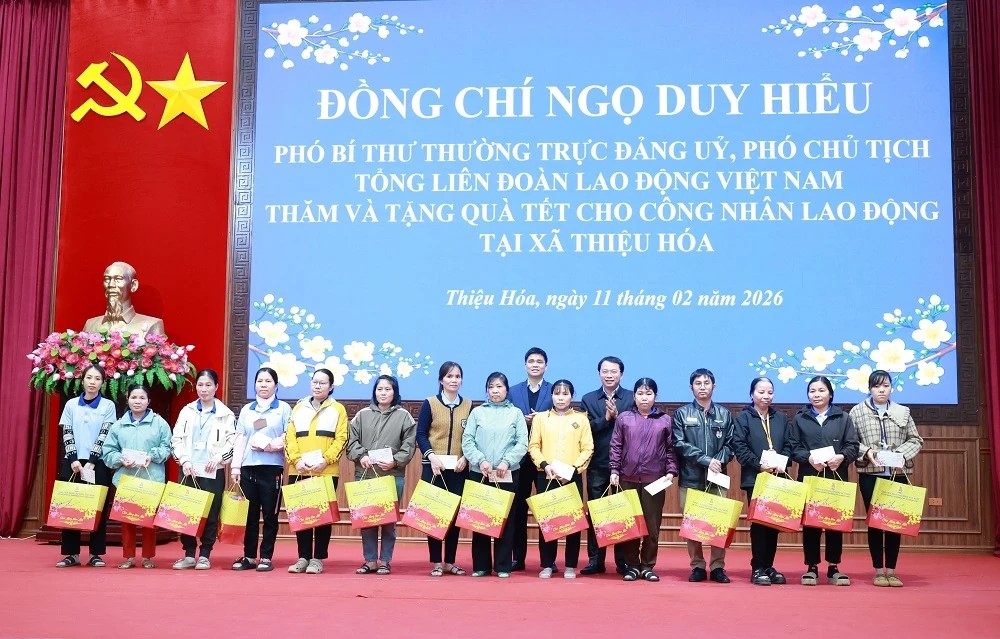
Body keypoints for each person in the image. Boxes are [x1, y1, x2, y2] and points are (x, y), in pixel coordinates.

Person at [850, 369, 923, 587]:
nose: (881, 390)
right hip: (870, 475)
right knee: (875, 522)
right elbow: (851, 442)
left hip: (896, 475)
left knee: (893, 523)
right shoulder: (857, 412)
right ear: (869, 389)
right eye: (876, 386)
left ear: (892, 388)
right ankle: (878, 571)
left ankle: (891, 570)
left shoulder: (903, 412)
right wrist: (867, 452)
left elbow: (916, 439)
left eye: (885, 386)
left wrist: (900, 455)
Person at [788, 375, 860, 586]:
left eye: (821, 390)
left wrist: (842, 457)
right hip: (810, 476)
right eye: (812, 391)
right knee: (811, 524)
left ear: (830, 394)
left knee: (834, 524)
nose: (816, 395)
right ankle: (811, 567)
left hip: (836, 477)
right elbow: (794, 447)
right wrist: (808, 458)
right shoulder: (800, 418)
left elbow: (853, 445)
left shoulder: (843, 418)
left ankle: (833, 567)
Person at [347, 375, 417, 575]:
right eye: (380, 389)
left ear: (395, 392)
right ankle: (370, 561)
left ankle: (385, 561)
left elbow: (409, 445)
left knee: (388, 521)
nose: (383, 393)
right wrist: (361, 456)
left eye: (388, 389)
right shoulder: (362, 415)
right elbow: (351, 442)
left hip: (391, 475)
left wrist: (395, 461)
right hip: (366, 474)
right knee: (367, 521)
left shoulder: (404, 416)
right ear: (374, 392)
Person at [610, 378, 677, 582]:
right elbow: (616, 446)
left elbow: (671, 449)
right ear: (634, 396)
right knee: (630, 526)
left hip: (655, 480)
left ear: (655, 396)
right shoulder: (624, 418)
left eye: (648, 394)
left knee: (652, 526)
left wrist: (671, 471)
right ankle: (632, 566)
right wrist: (614, 469)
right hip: (626, 478)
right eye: (640, 393)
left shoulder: (665, 420)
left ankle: (647, 566)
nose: (644, 398)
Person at [461, 372, 528, 578]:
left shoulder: (515, 413)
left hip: (506, 473)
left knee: (506, 521)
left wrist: (507, 461)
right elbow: (467, 440)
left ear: (506, 390)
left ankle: (502, 566)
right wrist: (480, 460)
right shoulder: (477, 412)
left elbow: (522, 443)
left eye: (499, 386)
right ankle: (481, 565)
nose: (495, 391)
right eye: (491, 387)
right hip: (480, 472)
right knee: (480, 520)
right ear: (487, 391)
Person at [673, 367, 735, 584]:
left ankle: (717, 567)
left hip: (717, 477)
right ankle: (697, 566)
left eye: (706, 383)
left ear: (713, 387)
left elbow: (731, 444)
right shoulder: (682, 414)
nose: (702, 387)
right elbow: (679, 443)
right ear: (691, 387)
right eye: (698, 383)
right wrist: (706, 460)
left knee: (719, 522)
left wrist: (719, 460)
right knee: (692, 524)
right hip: (691, 477)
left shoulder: (724, 414)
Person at [170, 369, 237, 570]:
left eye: (208, 385)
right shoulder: (187, 411)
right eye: (200, 385)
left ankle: (205, 554)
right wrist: (184, 460)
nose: (204, 389)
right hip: (189, 470)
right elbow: (176, 439)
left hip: (212, 471)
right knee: (187, 511)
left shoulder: (226, 414)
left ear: (216, 387)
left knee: (211, 512)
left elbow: (232, 442)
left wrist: (218, 458)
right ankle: (189, 554)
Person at [527, 379, 593, 579]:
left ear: (572, 396)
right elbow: (533, 446)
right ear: (552, 396)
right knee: (547, 522)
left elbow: (588, 448)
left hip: (571, 477)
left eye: (565, 394)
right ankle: (547, 564)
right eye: (557, 393)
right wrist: (544, 465)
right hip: (546, 476)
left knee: (573, 523)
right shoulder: (541, 418)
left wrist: (573, 470)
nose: (561, 398)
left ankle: (570, 565)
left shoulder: (581, 419)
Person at [284, 368, 347, 574]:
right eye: (314, 382)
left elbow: (341, 439)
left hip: (326, 470)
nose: (317, 386)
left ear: (331, 387)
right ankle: (303, 557)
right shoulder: (299, 407)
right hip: (299, 469)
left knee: (322, 516)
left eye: (322, 383)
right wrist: (296, 460)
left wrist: (325, 460)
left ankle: (317, 558)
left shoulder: (338, 409)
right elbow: (289, 437)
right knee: (302, 515)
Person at [102, 383, 172, 569]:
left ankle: (148, 556)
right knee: (127, 520)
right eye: (134, 397)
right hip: (126, 478)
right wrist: (120, 459)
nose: (137, 401)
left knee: (149, 521)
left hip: (151, 478)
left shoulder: (159, 423)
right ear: (128, 399)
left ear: (149, 401)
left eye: (142, 398)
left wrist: (152, 456)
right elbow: (108, 452)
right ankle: (128, 557)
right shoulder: (118, 425)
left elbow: (167, 447)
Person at [731, 376, 793, 586]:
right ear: (752, 394)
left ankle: (768, 566)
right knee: (759, 523)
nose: (766, 396)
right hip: (756, 478)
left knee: (773, 523)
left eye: (770, 392)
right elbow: (740, 447)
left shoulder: (781, 418)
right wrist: (760, 465)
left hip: (778, 476)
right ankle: (757, 567)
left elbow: (789, 444)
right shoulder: (743, 418)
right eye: (761, 392)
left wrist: (782, 462)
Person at [55, 364, 118, 568]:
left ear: (103, 383)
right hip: (73, 461)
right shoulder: (71, 404)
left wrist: (91, 461)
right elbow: (67, 432)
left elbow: (105, 434)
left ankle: (95, 554)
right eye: (89, 378)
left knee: (97, 508)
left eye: (97, 379)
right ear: (82, 380)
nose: (92, 382)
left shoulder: (108, 406)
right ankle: (71, 553)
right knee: (70, 506)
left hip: (97, 464)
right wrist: (73, 459)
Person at [230, 367, 291, 572]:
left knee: (270, 516)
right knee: (250, 515)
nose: (263, 385)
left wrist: (270, 446)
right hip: (248, 467)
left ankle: (265, 556)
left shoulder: (283, 409)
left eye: (268, 381)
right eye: (260, 381)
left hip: (272, 468)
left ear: (276, 385)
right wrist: (236, 467)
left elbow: (288, 436)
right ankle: (249, 556)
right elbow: (240, 439)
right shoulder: (247, 410)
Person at [415, 361, 472, 577]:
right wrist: (431, 457)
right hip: (434, 468)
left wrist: (466, 457)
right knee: (434, 515)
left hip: (458, 468)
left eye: (457, 376)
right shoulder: (430, 403)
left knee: (454, 517)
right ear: (441, 380)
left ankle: (450, 562)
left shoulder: (468, 405)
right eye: (449, 376)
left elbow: (471, 437)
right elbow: (421, 434)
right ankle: (437, 562)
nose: (453, 380)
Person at [579, 356, 634, 575]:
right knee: (596, 512)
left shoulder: (631, 397)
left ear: (621, 374)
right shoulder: (589, 399)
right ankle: (596, 560)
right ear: (599, 373)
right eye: (605, 371)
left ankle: (623, 561)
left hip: (625, 466)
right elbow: (585, 429)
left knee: (623, 513)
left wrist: (619, 418)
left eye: (613, 372)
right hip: (598, 463)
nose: (609, 375)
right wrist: (606, 418)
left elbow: (637, 427)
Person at [508, 347, 553, 572]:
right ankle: (518, 558)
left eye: (539, 361)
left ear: (546, 366)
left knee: (547, 508)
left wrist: (541, 419)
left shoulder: (555, 390)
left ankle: (549, 560)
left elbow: (560, 418)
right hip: (519, 458)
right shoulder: (513, 391)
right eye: (531, 361)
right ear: (525, 365)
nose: (535, 365)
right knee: (518, 509)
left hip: (546, 459)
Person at [82, 261, 164, 335]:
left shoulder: (152, 325)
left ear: (133, 285)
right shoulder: (90, 325)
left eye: (118, 279)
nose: (111, 285)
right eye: (107, 279)